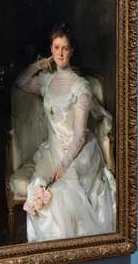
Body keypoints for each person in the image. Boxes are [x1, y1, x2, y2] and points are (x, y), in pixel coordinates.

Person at [15, 23, 116, 242]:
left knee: (62, 194)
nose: (60, 52)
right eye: (56, 47)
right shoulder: (47, 80)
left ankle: (65, 250)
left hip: (78, 153)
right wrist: (37, 65)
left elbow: (79, 136)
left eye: (65, 48)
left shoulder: (81, 87)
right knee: (39, 187)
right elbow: (21, 82)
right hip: (53, 150)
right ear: (51, 50)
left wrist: (63, 166)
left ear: (72, 51)